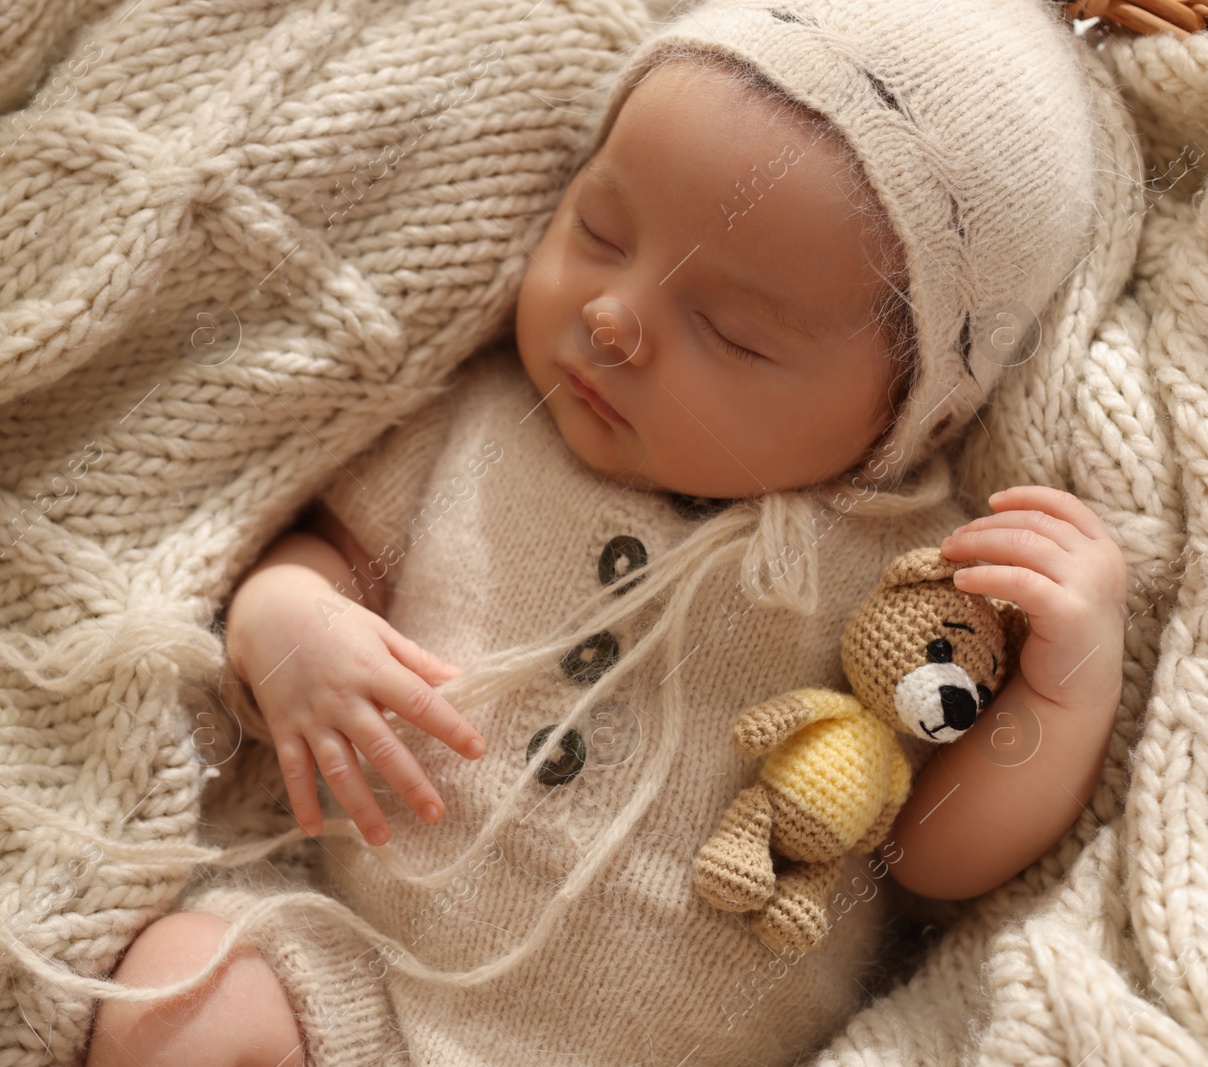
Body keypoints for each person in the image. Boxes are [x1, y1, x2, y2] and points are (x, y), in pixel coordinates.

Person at [85, 0, 1127, 1063]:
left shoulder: (907, 570)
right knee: (181, 992)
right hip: (366, 989)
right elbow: (326, 557)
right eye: (599, 231)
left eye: (730, 331)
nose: (613, 316)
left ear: (916, 413)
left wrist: (1064, 688)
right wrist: (289, 619)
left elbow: (931, 853)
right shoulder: (486, 426)